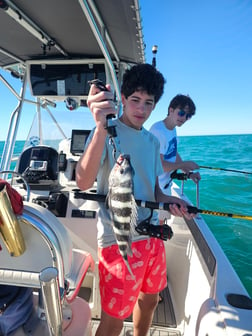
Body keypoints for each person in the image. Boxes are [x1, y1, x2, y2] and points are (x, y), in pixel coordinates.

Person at [76, 64, 195, 336]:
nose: (141, 109)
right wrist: (100, 128)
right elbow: (83, 181)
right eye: (135, 100)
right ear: (124, 100)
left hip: (151, 237)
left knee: (151, 299)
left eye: (148, 103)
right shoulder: (107, 131)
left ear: (155, 106)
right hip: (118, 241)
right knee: (114, 320)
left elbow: (156, 192)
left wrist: (172, 205)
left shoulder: (152, 142)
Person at [149, 94, 201, 197]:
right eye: (181, 113)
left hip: (166, 186)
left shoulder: (173, 128)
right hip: (155, 190)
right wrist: (184, 164)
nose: (184, 118)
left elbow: (173, 153)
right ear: (171, 110)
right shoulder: (158, 131)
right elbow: (159, 166)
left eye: (188, 116)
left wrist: (189, 173)